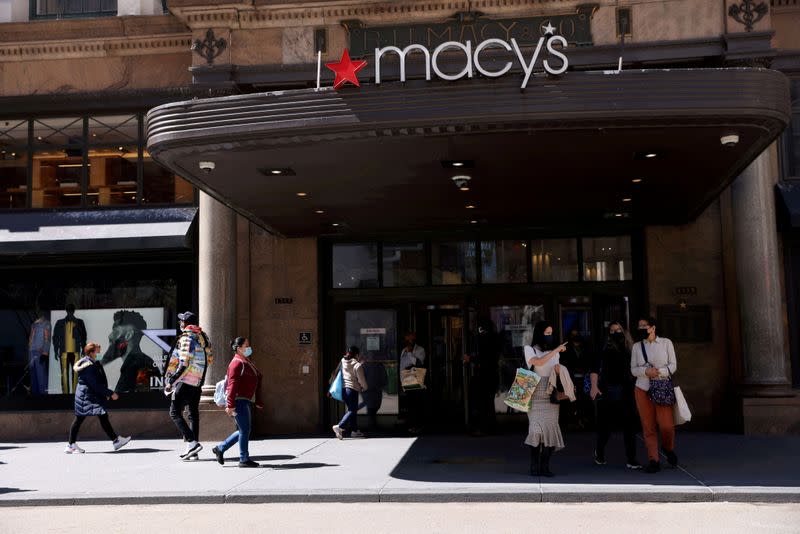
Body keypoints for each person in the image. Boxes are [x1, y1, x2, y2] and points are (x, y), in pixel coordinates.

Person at [590, 321, 642, 470]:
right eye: (612, 330)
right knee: (605, 426)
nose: (616, 332)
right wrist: (594, 386)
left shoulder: (632, 348)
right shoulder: (604, 346)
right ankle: (599, 452)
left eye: (618, 329)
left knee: (630, 426)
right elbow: (594, 367)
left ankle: (632, 459)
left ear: (624, 330)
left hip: (628, 389)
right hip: (608, 389)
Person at [631, 316, 678, 473]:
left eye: (645, 326)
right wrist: (646, 371)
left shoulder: (666, 343)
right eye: (640, 326)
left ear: (653, 327)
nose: (642, 328)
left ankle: (667, 448)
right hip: (642, 388)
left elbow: (673, 365)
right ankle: (653, 459)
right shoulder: (637, 347)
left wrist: (659, 372)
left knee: (667, 425)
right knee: (648, 426)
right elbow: (633, 369)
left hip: (662, 386)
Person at [163, 311, 213, 461]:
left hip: (186, 380)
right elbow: (209, 360)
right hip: (198, 381)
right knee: (192, 414)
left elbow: (184, 363)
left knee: (174, 412)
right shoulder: (203, 337)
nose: (180, 324)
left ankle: (192, 443)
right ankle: (193, 451)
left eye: (181, 321)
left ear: (185, 323)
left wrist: (171, 381)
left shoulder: (186, 337)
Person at [65, 342, 131, 453]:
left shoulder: (91, 363)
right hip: (87, 396)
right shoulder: (88, 366)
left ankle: (115, 441)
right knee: (81, 419)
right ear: (91, 352)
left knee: (98, 416)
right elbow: (95, 384)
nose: (99, 352)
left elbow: (98, 382)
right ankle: (71, 445)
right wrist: (110, 393)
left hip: (88, 395)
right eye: (97, 350)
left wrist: (105, 393)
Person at [524, 321, 568, 477]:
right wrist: (556, 349)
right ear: (539, 333)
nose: (550, 336)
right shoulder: (529, 349)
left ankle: (545, 466)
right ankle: (533, 466)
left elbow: (555, 372)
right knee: (535, 431)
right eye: (547, 333)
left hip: (550, 393)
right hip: (535, 393)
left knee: (550, 431)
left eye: (551, 333)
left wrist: (560, 372)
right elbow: (538, 362)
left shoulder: (555, 353)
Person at [212, 337, 263, 468]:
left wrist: (258, 400)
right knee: (245, 429)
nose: (249, 348)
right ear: (239, 348)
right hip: (238, 401)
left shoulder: (245, 361)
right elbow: (231, 385)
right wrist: (230, 405)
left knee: (243, 429)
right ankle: (243, 458)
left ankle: (221, 448)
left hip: (244, 400)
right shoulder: (236, 363)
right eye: (246, 345)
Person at [98, 310, 161, 393]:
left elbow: (122, 399)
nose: (110, 336)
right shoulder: (140, 362)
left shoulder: (136, 364)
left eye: (115, 330)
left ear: (129, 335)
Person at [464, 317, 499, 435]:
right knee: (488, 403)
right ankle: (490, 427)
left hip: (485, 376)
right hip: (491, 376)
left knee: (484, 403)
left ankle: (485, 428)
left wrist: (471, 358)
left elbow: (485, 358)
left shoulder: (486, 340)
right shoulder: (494, 339)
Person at [332, 346, 368, 439]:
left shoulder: (343, 361)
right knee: (352, 410)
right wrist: (364, 388)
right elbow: (362, 380)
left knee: (352, 410)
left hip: (343, 390)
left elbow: (335, 372)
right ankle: (340, 426)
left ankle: (354, 431)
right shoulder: (357, 365)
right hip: (352, 390)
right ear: (357, 355)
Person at [53, 304, 87, 394]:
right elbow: (55, 337)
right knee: (64, 374)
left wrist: (83, 348)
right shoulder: (60, 322)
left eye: (71, 310)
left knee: (75, 374)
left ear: (74, 311)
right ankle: (65, 395)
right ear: (66, 311)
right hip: (64, 352)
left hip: (75, 352)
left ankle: (75, 394)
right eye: (69, 310)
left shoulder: (79, 322)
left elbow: (84, 336)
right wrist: (55, 350)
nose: (70, 312)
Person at [400, 331, 426, 434]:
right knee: (410, 404)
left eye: (411, 339)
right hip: (406, 378)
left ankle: (417, 425)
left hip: (415, 377)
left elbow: (419, 362)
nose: (409, 341)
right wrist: (401, 380)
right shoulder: (403, 350)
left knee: (416, 404)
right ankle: (411, 425)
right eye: (407, 339)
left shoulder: (420, 350)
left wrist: (410, 353)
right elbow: (402, 366)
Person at [358, 352, 388, 432]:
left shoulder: (376, 366)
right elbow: (384, 378)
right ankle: (372, 425)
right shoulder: (377, 366)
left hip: (370, 390)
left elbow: (384, 377)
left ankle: (372, 424)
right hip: (372, 390)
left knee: (372, 407)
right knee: (372, 407)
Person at [28, 312, 51, 396]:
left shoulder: (46, 324)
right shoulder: (34, 324)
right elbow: (31, 337)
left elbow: (47, 339)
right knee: (33, 374)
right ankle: (34, 395)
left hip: (39, 352)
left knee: (41, 374)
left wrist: (45, 352)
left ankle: (43, 396)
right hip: (31, 351)